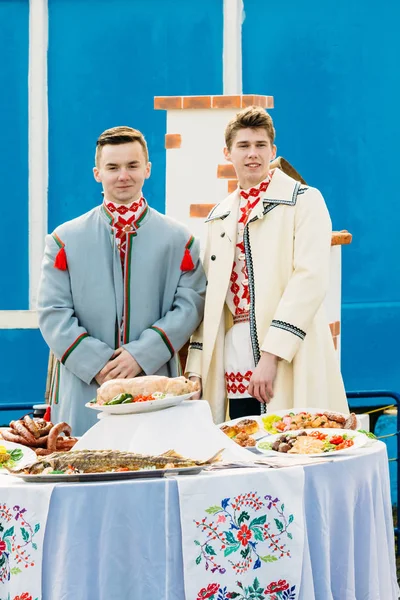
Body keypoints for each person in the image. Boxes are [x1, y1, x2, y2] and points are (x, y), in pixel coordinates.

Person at [38, 126, 206, 436]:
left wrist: (140, 356)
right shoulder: (64, 240)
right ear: (97, 173)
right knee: (84, 471)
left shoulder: (179, 239)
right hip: (85, 385)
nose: (123, 175)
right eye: (112, 167)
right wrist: (100, 364)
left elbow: (190, 305)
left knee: (157, 466)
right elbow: (52, 312)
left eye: (132, 165)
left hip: (153, 381)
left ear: (147, 169)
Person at [186, 106, 349, 423]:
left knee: (293, 443)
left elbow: (310, 280)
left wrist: (271, 356)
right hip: (231, 355)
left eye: (261, 145)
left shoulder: (304, 200)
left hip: (290, 354)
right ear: (228, 153)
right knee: (239, 449)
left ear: (273, 150)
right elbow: (209, 300)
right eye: (243, 146)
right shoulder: (218, 216)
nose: (253, 154)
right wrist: (195, 369)